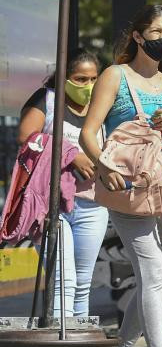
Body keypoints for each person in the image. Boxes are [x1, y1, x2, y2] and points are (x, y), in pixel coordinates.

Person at [81, 4, 162, 347]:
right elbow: (89, 133)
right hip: (129, 193)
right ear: (136, 36)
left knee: (156, 279)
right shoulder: (116, 76)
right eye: (156, 32)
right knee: (151, 276)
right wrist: (102, 165)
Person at [17, 49, 106, 318]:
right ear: (64, 77)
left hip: (93, 205)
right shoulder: (47, 101)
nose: (88, 86)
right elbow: (26, 140)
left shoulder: (101, 105)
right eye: (80, 79)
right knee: (62, 280)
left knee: (82, 284)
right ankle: (61, 345)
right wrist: (71, 154)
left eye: (93, 79)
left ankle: (79, 346)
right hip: (52, 205)